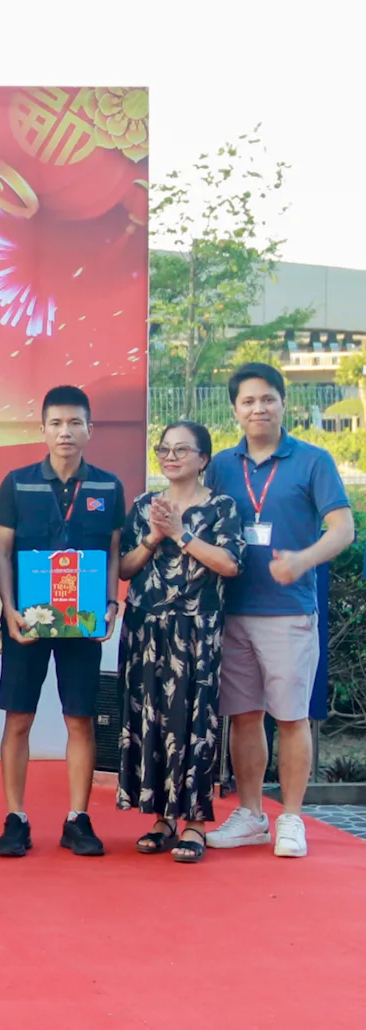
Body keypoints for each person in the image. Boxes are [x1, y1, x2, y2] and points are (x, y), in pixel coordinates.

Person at [204, 363, 354, 859]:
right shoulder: (221, 466)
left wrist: (303, 560)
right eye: (248, 401)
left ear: (283, 403)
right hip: (232, 612)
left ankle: (290, 817)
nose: (259, 409)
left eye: (267, 399)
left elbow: (343, 529)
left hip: (288, 613)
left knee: (291, 718)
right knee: (243, 717)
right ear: (235, 410)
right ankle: (251, 815)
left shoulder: (313, 460)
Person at [0, 384, 126, 859]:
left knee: (80, 719)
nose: (65, 432)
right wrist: (8, 609)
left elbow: (113, 552)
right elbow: (2, 553)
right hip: (26, 622)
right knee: (18, 719)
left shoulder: (108, 486)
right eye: (56, 423)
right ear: (43, 429)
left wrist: (110, 604)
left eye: (74, 423)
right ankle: (15, 818)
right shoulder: (17, 483)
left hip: (82, 623)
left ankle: (77, 819)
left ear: (89, 429)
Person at [118, 421, 241, 863]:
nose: (170, 457)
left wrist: (180, 534)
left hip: (197, 630)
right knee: (151, 720)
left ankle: (195, 824)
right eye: (164, 449)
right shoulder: (144, 505)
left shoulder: (221, 507)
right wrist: (154, 537)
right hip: (147, 627)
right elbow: (125, 568)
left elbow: (229, 564)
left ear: (203, 458)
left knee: (194, 722)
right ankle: (161, 818)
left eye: (181, 450)